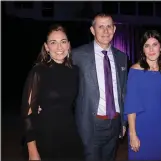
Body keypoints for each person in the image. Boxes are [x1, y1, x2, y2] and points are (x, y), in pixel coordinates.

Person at [21, 24, 82, 160]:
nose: (59, 47)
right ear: (46, 47)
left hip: (70, 135)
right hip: (45, 136)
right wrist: (32, 150)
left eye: (63, 42)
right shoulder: (38, 72)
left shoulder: (75, 71)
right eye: (53, 43)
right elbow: (27, 113)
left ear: (69, 45)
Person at [71, 13, 128, 161]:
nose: (105, 31)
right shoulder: (77, 55)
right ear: (92, 30)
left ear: (114, 29)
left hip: (114, 122)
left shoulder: (122, 57)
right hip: (90, 124)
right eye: (100, 26)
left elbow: (122, 91)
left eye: (109, 26)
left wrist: (123, 121)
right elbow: (61, 77)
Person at [124, 30, 161, 160]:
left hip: (160, 126)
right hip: (140, 126)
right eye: (147, 46)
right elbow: (131, 104)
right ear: (143, 50)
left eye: (154, 44)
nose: (151, 49)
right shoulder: (135, 70)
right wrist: (132, 134)